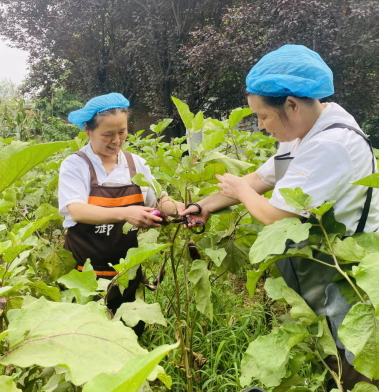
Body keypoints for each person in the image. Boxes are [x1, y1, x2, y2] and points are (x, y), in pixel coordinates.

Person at [181, 45, 379, 388]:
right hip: (322, 266)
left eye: (263, 116)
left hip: (348, 273)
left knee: (355, 361)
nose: (260, 126)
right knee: (330, 353)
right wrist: (204, 206)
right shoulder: (304, 134)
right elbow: (258, 180)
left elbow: (273, 214)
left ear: (292, 105)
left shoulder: (331, 144)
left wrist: (240, 192)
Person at [59, 93, 182, 334]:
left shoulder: (135, 164)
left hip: (127, 273)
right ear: (88, 130)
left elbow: (159, 200)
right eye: (107, 134)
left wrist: (183, 209)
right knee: (87, 338)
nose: (116, 140)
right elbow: (76, 209)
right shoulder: (76, 165)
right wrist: (125, 213)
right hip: (86, 278)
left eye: (122, 132)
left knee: (130, 337)